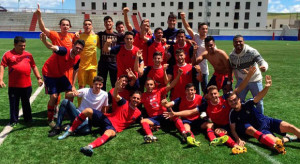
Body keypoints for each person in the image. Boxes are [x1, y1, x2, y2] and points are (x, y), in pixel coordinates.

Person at [58, 78, 142, 157]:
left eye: (138, 99)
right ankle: (69, 131)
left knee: (109, 133)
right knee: (87, 110)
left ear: (140, 101)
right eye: (134, 97)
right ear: (130, 98)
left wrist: (152, 127)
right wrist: (116, 87)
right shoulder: (124, 102)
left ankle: (89, 146)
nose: (135, 100)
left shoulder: (138, 113)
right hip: (106, 119)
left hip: (113, 127)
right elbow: (115, 95)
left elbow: (143, 121)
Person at [228, 75, 300, 155]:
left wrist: (267, 87)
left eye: (235, 100)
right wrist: (238, 139)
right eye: (231, 101)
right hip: (262, 130)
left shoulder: (247, 104)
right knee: (276, 144)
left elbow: (259, 96)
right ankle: (288, 138)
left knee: (291, 127)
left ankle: (290, 137)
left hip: (268, 121)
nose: (233, 102)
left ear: (239, 99)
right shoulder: (232, 114)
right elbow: (233, 129)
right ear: (229, 103)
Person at [35, 4, 76, 121]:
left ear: (70, 27)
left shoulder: (72, 37)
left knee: (69, 90)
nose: (65, 27)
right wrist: (39, 16)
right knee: (56, 94)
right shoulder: (55, 35)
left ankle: (68, 110)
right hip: (55, 67)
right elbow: (43, 29)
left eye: (67, 25)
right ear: (60, 26)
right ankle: (56, 110)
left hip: (67, 68)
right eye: (63, 25)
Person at [39, 32, 84, 126]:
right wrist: (44, 41)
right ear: (73, 46)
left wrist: (73, 85)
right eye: (77, 47)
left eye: (80, 49)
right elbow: (52, 47)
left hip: (60, 74)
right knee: (54, 97)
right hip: (49, 73)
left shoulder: (77, 58)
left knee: (70, 94)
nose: (78, 50)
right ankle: (50, 119)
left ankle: (68, 113)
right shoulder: (64, 51)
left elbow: (75, 71)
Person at [0, 36, 43, 126]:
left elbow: (34, 66)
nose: (23, 47)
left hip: (27, 85)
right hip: (14, 85)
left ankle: (28, 119)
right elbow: (2, 66)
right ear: (15, 45)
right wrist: (0, 79)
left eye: (24, 45)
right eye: (20, 46)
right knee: (14, 104)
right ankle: (13, 120)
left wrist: (39, 78)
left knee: (26, 103)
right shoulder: (8, 54)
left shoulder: (28, 55)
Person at [140, 68, 183, 143]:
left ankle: (184, 132)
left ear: (154, 86)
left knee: (175, 117)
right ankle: (150, 136)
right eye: (147, 85)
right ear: (145, 86)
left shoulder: (159, 91)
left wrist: (179, 75)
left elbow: (171, 85)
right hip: (153, 118)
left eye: (151, 84)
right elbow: (134, 105)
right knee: (143, 121)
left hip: (164, 114)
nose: (149, 86)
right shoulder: (142, 96)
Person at [229, 35, 268, 114]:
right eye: (236, 42)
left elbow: (261, 60)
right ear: (233, 43)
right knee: (238, 100)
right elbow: (234, 69)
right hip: (242, 80)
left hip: (255, 80)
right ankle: (241, 118)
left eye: (240, 41)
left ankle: (260, 121)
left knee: (259, 102)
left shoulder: (251, 51)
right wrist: (237, 80)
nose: (238, 43)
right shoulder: (232, 56)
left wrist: (264, 66)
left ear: (244, 42)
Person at [181, 12, 209, 94]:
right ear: (199, 30)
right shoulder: (195, 36)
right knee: (196, 89)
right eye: (203, 29)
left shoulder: (208, 41)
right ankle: (197, 105)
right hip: (194, 67)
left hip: (203, 69)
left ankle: (205, 106)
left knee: (205, 90)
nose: (205, 30)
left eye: (206, 29)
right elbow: (188, 27)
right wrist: (183, 18)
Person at [75, 19, 99, 107]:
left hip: (93, 67)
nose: (87, 26)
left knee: (94, 88)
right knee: (81, 88)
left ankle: (92, 106)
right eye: (85, 24)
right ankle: (80, 107)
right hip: (82, 67)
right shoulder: (79, 36)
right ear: (83, 26)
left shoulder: (96, 37)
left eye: (89, 24)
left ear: (92, 26)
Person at [97, 16, 119, 91]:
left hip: (114, 61)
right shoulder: (100, 34)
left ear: (112, 23)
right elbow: (91, 34)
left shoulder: (117, 35)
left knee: (114, 82)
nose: (108, 23)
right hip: (103, 61)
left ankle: (113, 99)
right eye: (106, 22)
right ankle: (102, 100)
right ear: (104, 24)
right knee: (101, 82)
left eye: (109, 21)